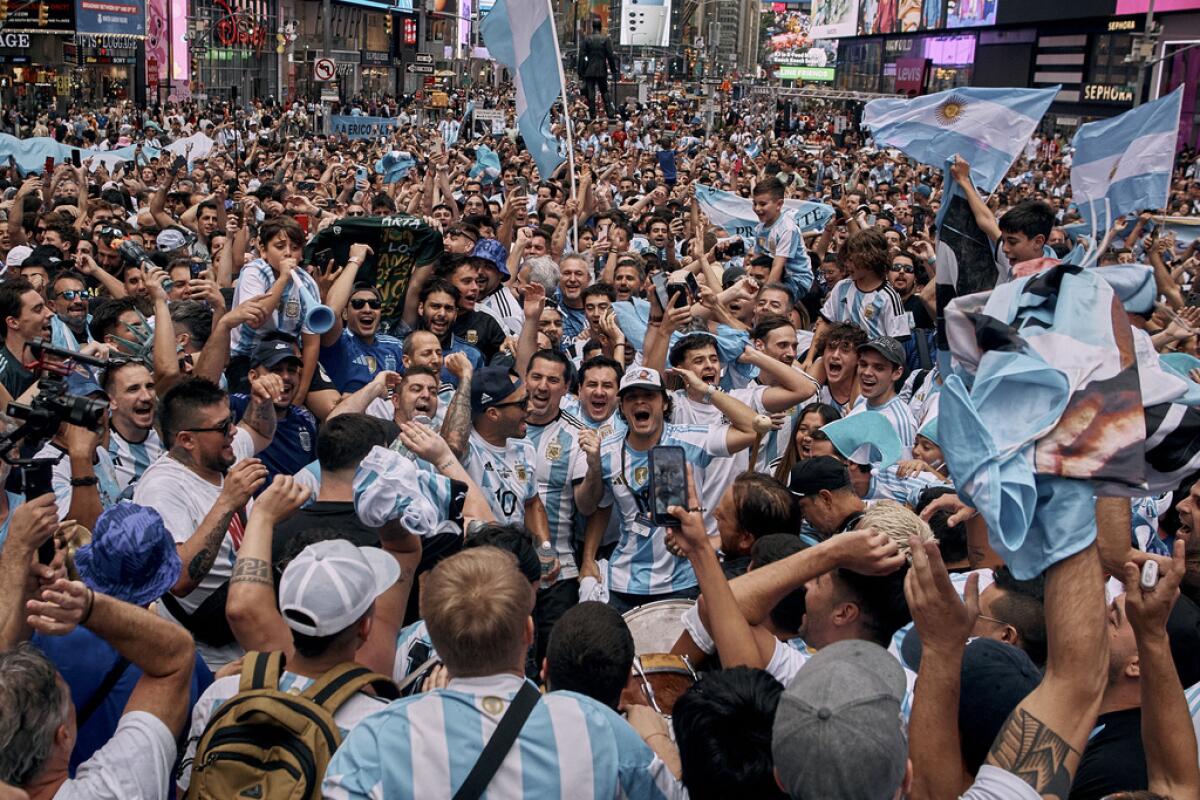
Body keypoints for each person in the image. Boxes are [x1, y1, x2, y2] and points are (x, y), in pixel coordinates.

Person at [322, 547, 686, 799]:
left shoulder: (374, 738)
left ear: (433, 636)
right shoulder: (595, 725)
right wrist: (655, 738)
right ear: (529, 632)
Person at [178, 537, 400, 792]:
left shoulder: (221, 695)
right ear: (365, 627)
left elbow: (187, 789)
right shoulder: (380, 725)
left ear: (285, 613)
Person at [133, 376, 275, 669]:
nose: (233, 431)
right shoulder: (162, 488)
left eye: (231, 419)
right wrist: (228, 501)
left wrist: (262, 402)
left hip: (251, 633)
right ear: (187, 440)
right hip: (212, 661)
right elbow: (178, 579)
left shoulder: (223, 454)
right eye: (224, 427)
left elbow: (260, 431)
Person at [576, 18, 619, 120]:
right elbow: (610, 56)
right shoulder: (605, 39)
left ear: (592, 27)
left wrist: (580, 71)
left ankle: (592, 114)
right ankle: (610, 112)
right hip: (601, 70)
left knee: (591, 93)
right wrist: (613, 70)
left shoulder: (587, 39)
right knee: (604, 91)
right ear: (600, 27)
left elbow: (581, 56)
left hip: (589, 70)